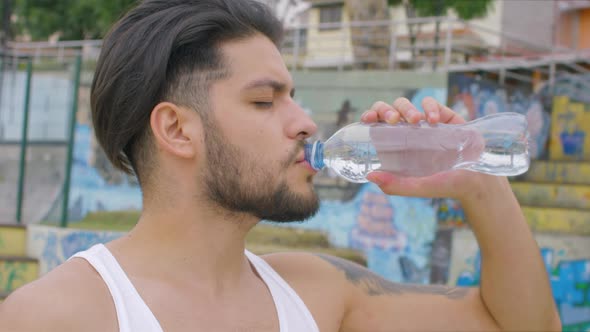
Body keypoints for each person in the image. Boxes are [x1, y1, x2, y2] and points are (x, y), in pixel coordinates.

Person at [1, 1, 561, 331]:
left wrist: (474, 184)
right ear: (176, 129)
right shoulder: (56, 315)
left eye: (293, 97)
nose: (305, 123)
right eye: (265, 101)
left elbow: (518, 324)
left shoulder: (319, 291)